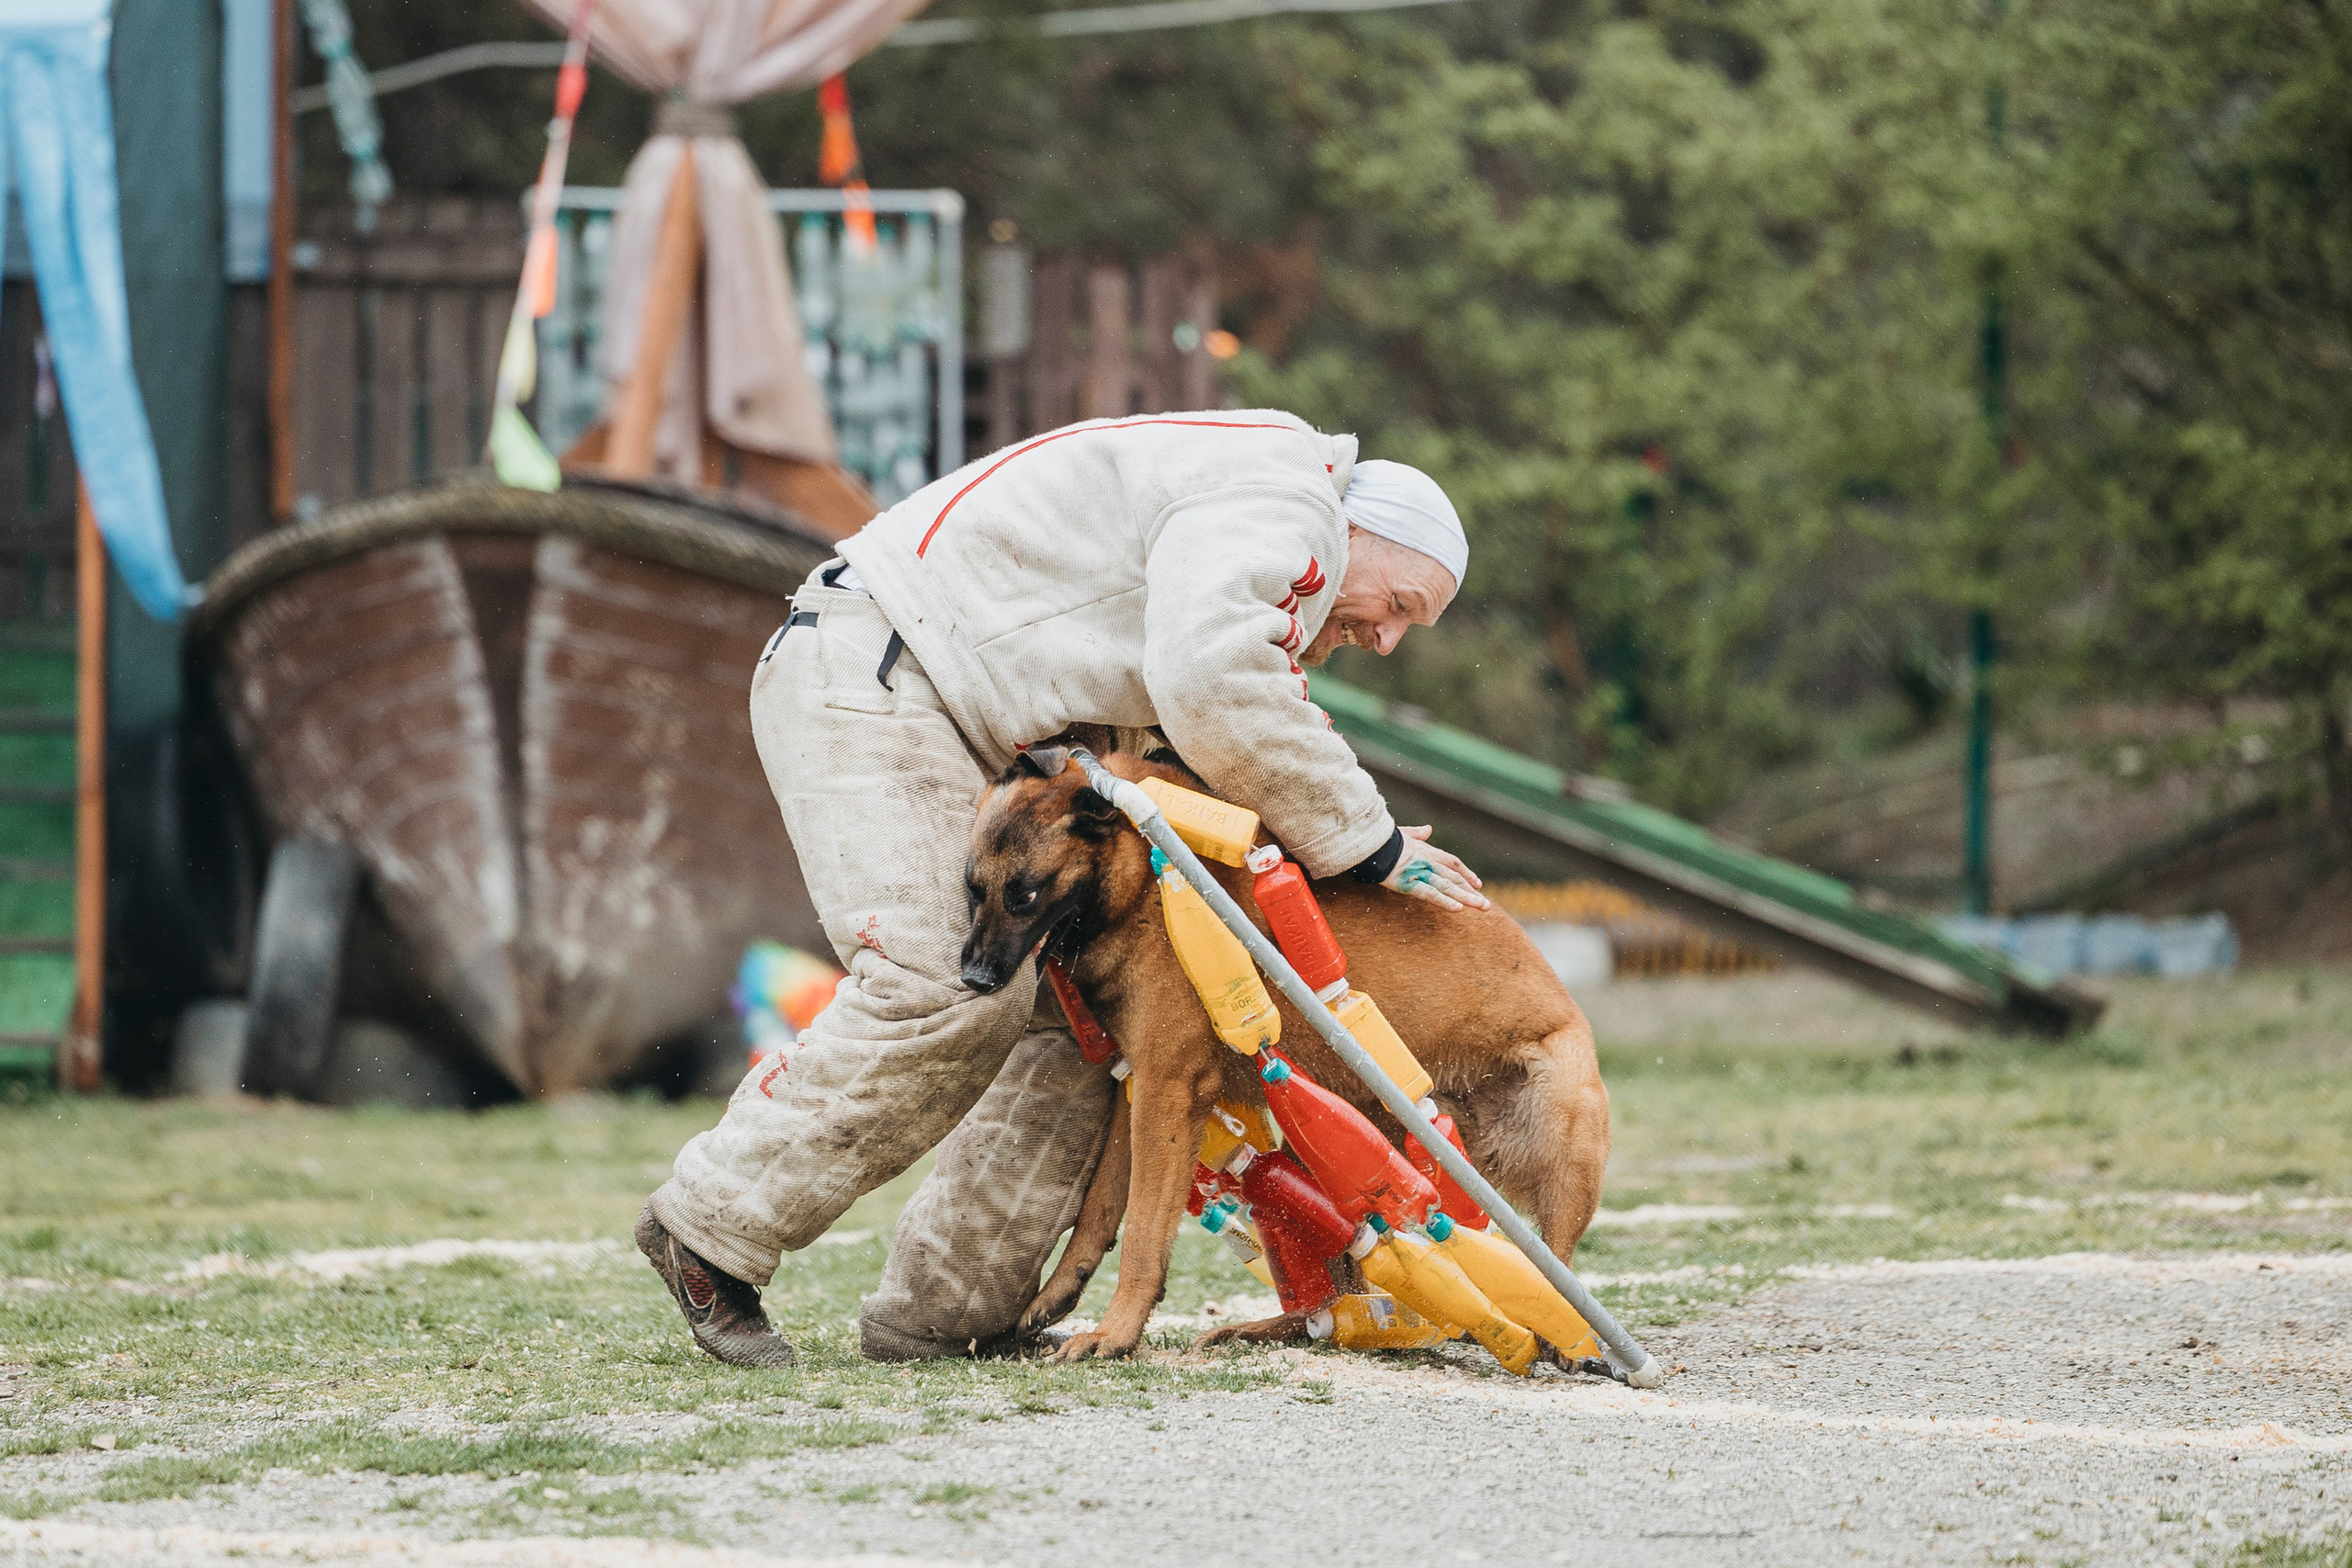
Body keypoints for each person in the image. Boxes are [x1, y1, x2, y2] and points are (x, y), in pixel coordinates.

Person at [636, 409, 1487, 1365]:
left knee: (1077, 1018)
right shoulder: (1285, 497)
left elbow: (1201, 708)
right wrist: (1364, 843)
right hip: (878, 671)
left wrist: (1339, 826)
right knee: (933, 980)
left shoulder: (1255, 492)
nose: (1386, 639)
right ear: (1362, 535)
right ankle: (707, 1231)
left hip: (926, 688)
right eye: (1402, 604)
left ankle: (946, 1315)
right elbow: (1212, 678)